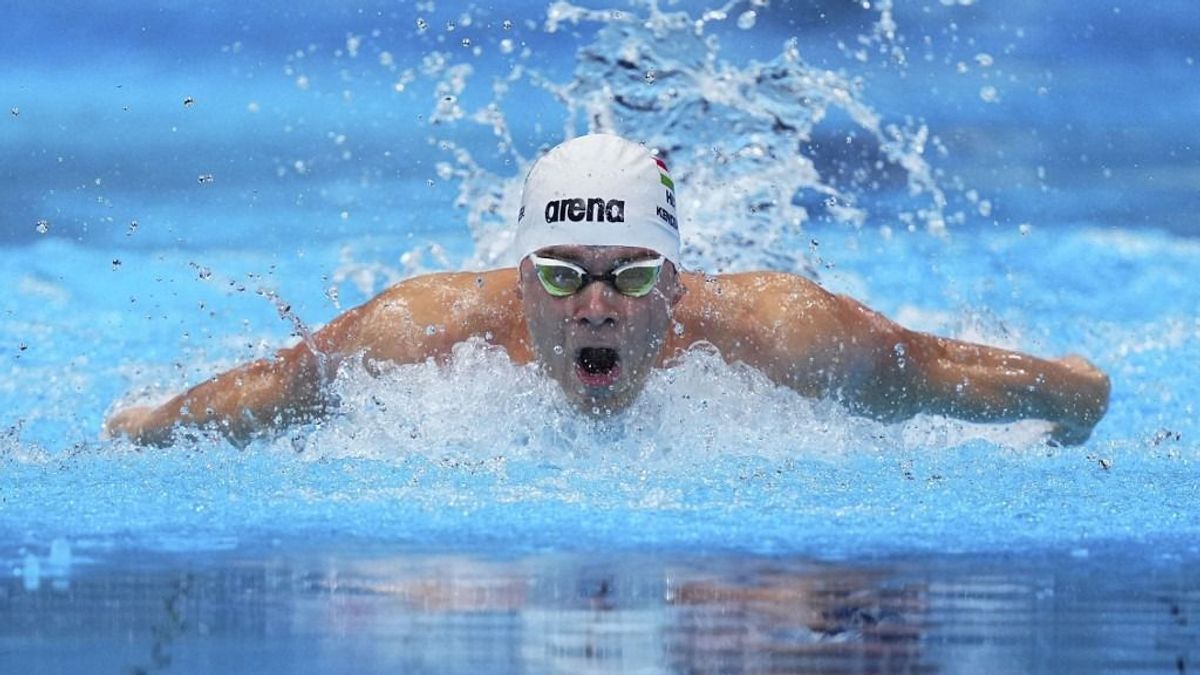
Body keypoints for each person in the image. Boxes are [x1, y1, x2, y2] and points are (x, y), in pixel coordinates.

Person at [105, 134, 1110, 447]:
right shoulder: (423, 332)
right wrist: (146, 425)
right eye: (562, 276)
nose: (594, 306)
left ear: (672, 281)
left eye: (628, 275)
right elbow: (278, 389)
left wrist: (1074, 395)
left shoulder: (776, 334)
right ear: (521, 278)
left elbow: (938, 370)